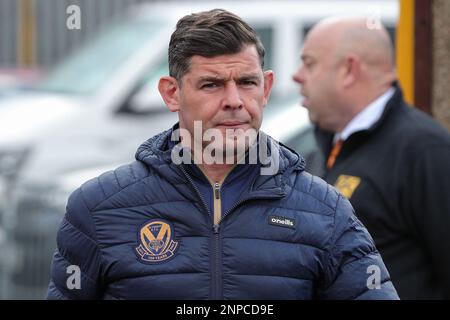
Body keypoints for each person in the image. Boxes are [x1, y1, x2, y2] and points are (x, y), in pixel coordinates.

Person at [47, 9, 398, 300]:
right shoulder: (97, 208)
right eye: (211, 84)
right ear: (172, 94)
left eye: (247, 82)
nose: (234, 100)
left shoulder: (324, 211)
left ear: (267, 89)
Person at [293, 16, 450, 299]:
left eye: (309, 62)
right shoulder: (327, 147)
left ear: (349, 70)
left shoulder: (426, 151)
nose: (297, 75)